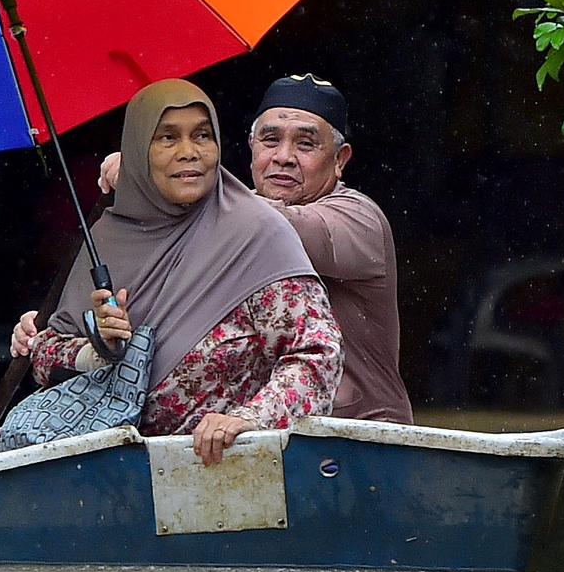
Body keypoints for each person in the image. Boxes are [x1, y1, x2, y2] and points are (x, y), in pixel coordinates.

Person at [0, 80, 342, 467]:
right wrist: (99, 349)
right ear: (136, 152)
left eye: (202, 136)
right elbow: (46, 354)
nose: (189, 153)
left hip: (209, 460)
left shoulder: (257, 234)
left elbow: (317, 355)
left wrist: (249, 420)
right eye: (168, 138)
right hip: (109, 447)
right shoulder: (106, 237)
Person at [102, 74, 412, 423]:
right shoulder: (216, 222)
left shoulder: (359, 219)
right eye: (270, 140)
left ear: (340, 160)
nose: (284, 157)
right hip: (246, 439)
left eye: (306, 144)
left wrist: (168, 168)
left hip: (359, 439)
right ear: (250, 148)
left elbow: (279, 228)